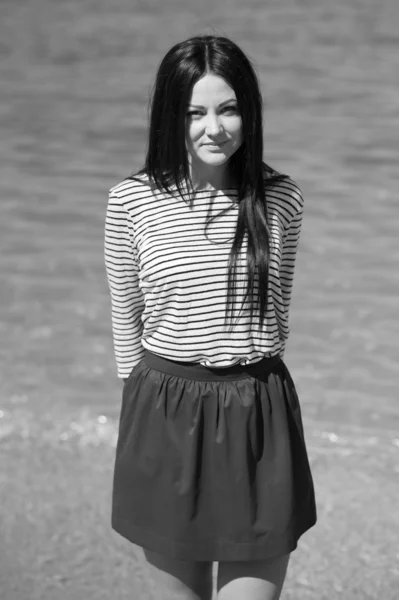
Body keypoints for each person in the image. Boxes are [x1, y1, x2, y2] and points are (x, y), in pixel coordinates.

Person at [104, 34, 317, 600]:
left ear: (249, 110)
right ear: (171, 116)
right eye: (195, 112)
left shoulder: (283, 198)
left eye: (228, 108)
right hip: (166, 411)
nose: (213, 128)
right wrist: (148, 421)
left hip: (258, 414)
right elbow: (126, 325)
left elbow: (277, 311)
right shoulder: (130, 201)